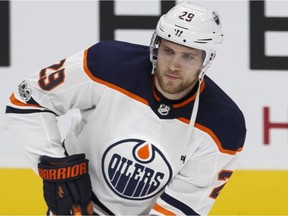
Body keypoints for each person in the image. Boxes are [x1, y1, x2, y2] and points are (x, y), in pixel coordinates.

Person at [6, 1, 246, 215]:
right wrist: (56, 171)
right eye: (168, 50)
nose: (173, 65)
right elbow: (28, 99)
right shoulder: (106, 65)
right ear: (156, 46)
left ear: (207, 60)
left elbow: (181, 208)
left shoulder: (223, 126)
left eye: (188, 57)